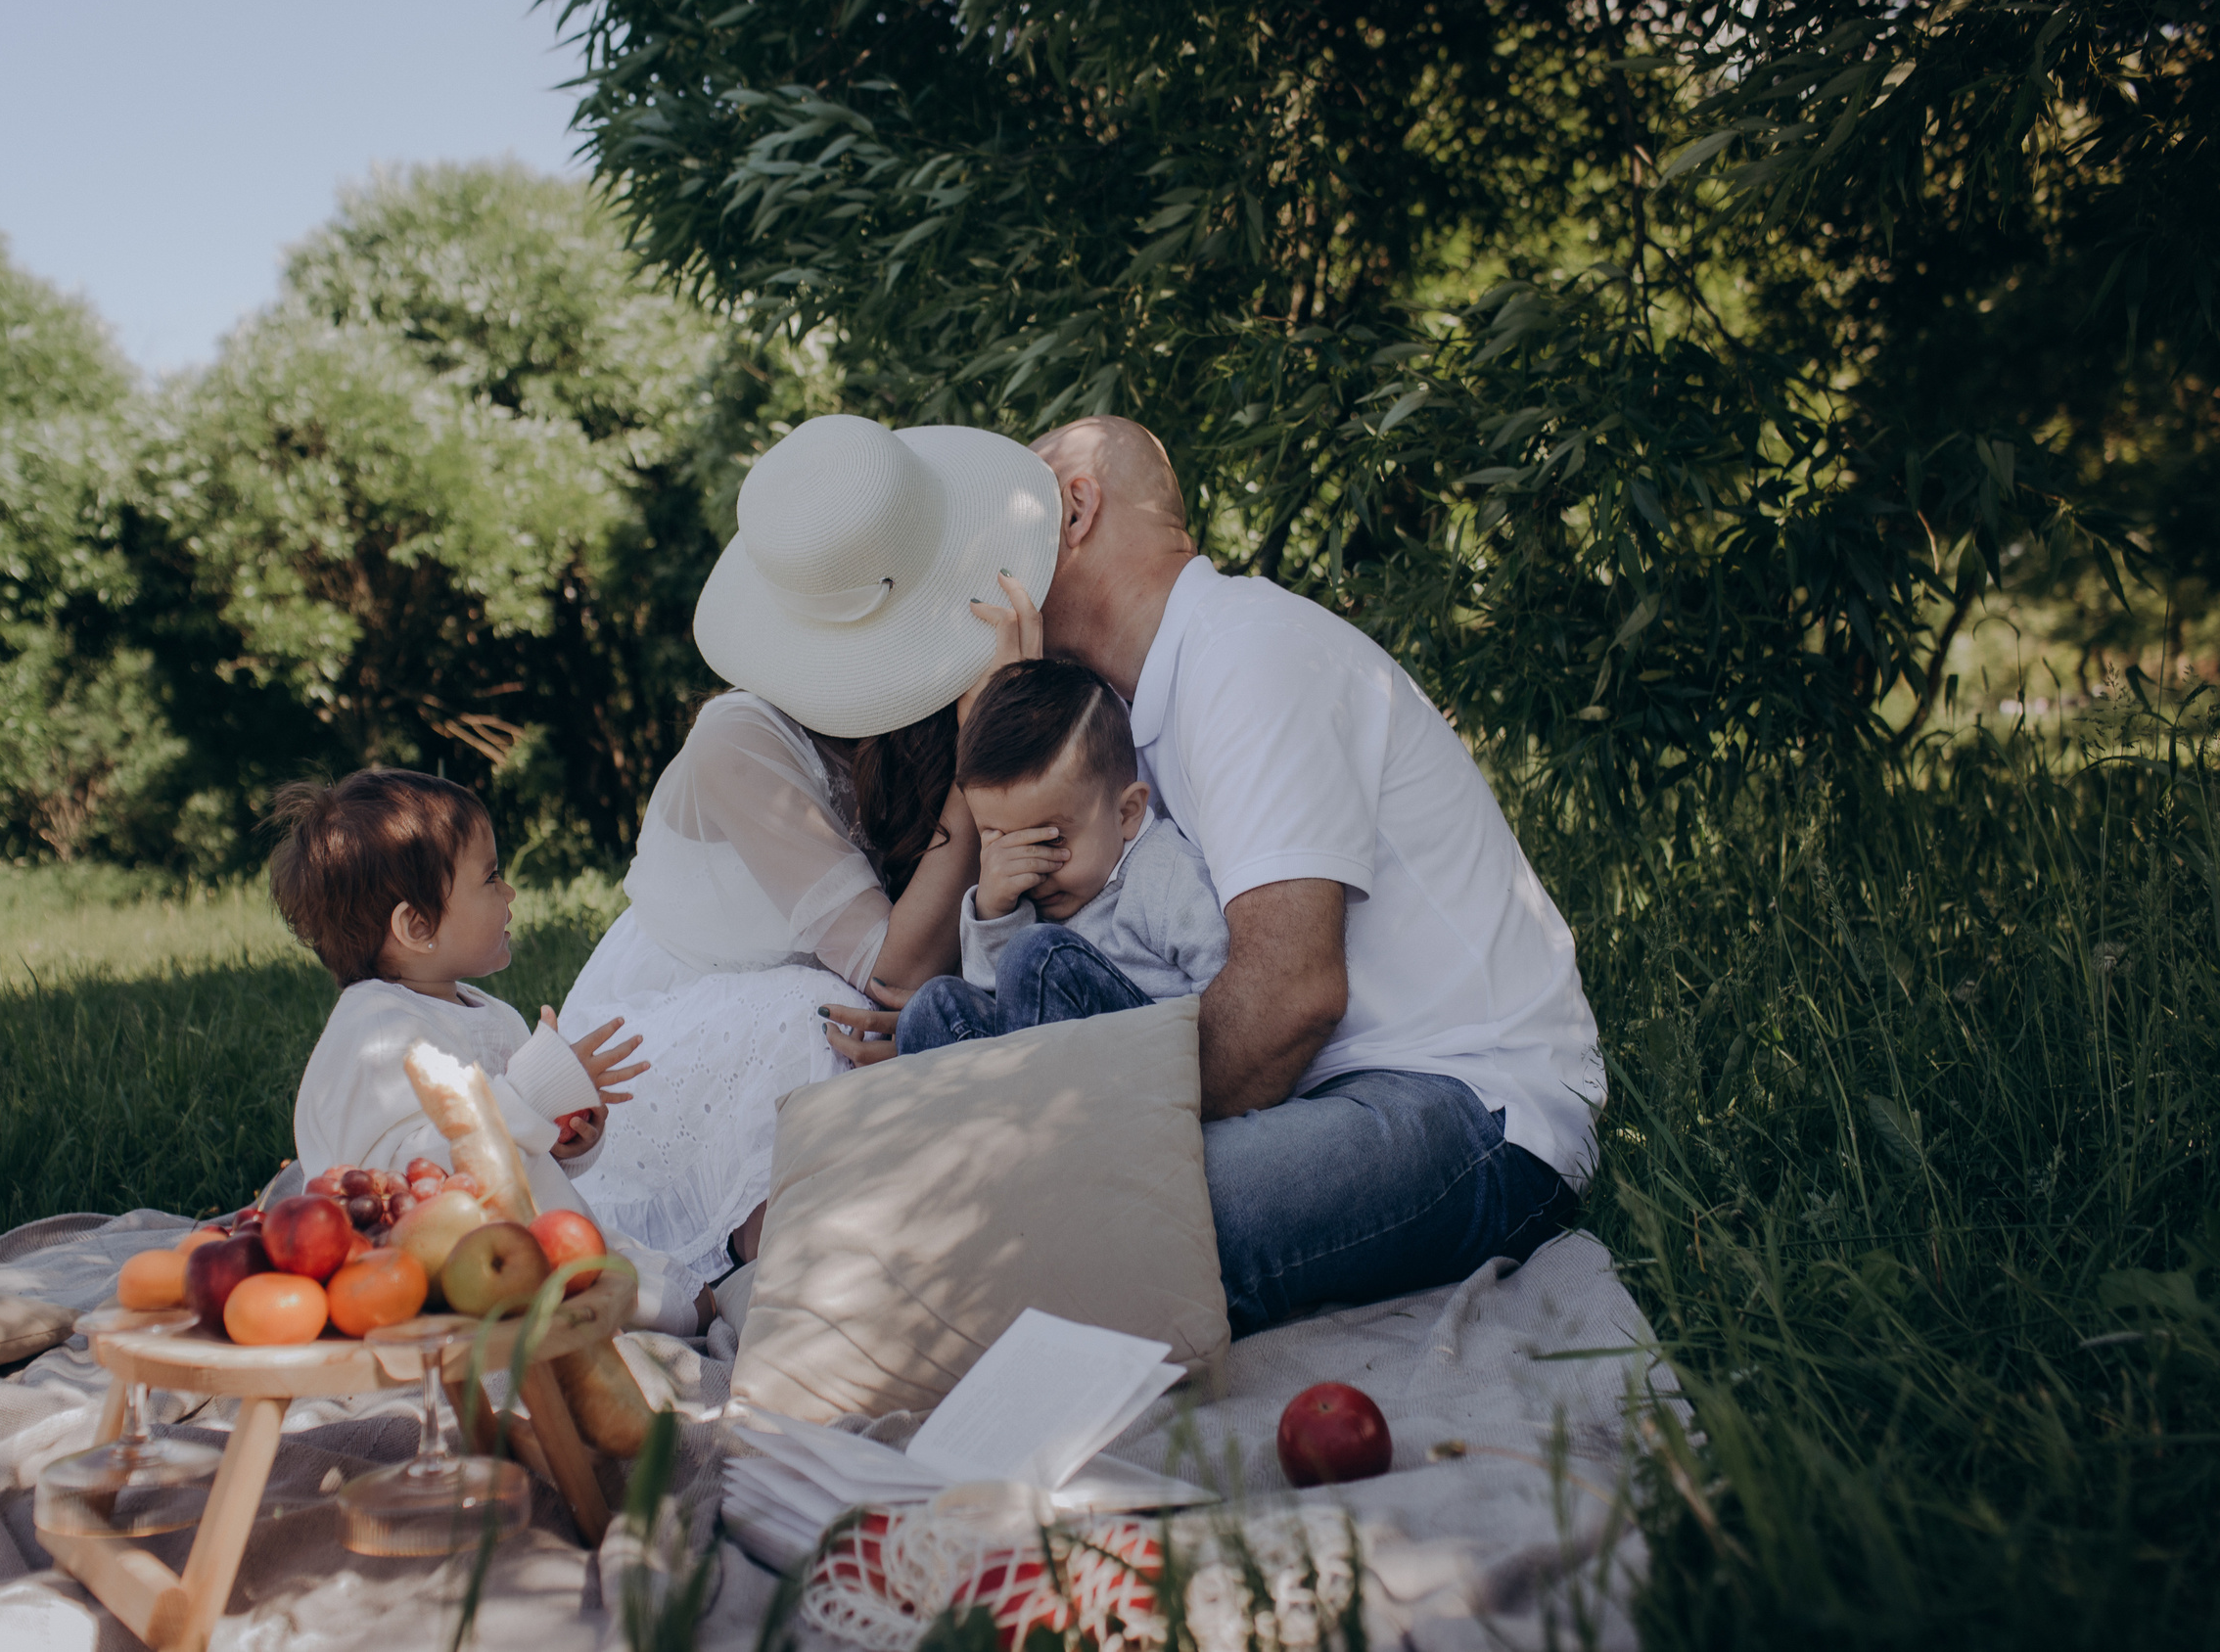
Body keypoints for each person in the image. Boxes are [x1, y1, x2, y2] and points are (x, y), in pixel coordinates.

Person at [829, 416, 1604, 1336]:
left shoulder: (1246, 653)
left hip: (1470, 1110)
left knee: (1101, 1224)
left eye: (1002, 533)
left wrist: (1051, 1132)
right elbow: (1084, 973)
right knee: (1043, 1200)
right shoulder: (1127, 714)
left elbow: (1290, 997)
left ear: (1074, 508)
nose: (985, 578)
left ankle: (994, 1243)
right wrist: (988, 1055)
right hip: (1316, 1097)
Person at [555, 413, 1060, 1282]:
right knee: (819, 1017)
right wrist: (978, 754)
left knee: (853, 1020)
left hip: (835, 995)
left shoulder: (928, 701)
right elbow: (894, 971)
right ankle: (770, 1256)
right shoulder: (739, 740)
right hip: (673, 1030)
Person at [267, 766, 712, 1336]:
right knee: (659, 1309)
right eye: (491, 877)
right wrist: (533, 1094)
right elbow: (403, 1174)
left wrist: (566, 1137)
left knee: (693, 1298)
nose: (510, 893)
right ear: (417, 925)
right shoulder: (374, 1032)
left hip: (532, 1228)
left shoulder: (488, 1012)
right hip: (440, 1268)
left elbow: (521, 1149)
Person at [895, 657, 1226, 1052]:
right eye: (1000, 842)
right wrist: (994, 913)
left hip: (1150, 1063)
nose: (1029, 870)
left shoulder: (1167, 876)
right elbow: (995, 1003)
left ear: (1126, 813)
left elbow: (1233, 990)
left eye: (1051, 840)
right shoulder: (1023, 896)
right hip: (1038, 1067)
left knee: (1038, 957)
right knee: (931, 1007)